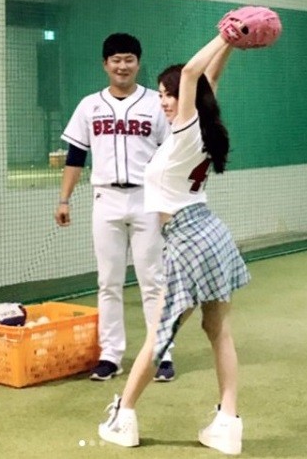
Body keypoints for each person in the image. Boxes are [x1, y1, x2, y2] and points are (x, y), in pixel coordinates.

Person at [98, 31, 252, 455]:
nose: (163, 101)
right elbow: (208, 80)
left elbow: (193, 74)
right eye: (162, 94)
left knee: (160, 334)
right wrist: (231, 43)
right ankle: (228, 423)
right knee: (217, 330)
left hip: (187, 238)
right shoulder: (201, 126)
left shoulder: (185, 132)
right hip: (211, 234)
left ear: (186, 98)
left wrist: (223, 34)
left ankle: (124, 416)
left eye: (169, 94)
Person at [54, 33, 176, 382]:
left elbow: (171, 156)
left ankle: (162, 352)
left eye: (129, 59)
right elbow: (76, 156)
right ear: (105, 64)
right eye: (116, 60)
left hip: (147, 199)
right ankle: (110, 355)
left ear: (138, 63)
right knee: (108, 281)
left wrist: (170, 202)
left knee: (153, 280)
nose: (123, 66)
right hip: (105, 199)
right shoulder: (89, 105)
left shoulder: (155, 103)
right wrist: (64, 199)